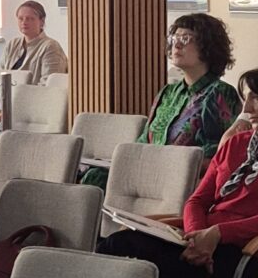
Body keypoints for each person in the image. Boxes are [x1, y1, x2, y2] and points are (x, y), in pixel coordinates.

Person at [99, 64, 258, 278]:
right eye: (246, 98)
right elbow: (197, 201)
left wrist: (218, 233)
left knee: (151, 277)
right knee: (115, 244)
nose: (246, 108)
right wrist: (198, 237)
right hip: (200, 239)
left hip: (242, 248)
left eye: (256, 98)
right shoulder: (236, 143)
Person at [87, 13, 241, 189]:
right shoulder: (168, 92)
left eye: (186, 39)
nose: (177, 44)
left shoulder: (219, 92)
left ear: (207, 46)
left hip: (179, 179)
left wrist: (166, 163)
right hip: (148, 170)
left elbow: (218, 154)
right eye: (174, 38)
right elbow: (144, 139)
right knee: (92, 175)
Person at [0, 0, 68, 84]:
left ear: (42, 21)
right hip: (8, 91)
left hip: (34, 92)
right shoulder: (12, 44)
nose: (24, 22)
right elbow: (0, 75)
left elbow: (49, 84)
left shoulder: (51, 47)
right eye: (21, 18)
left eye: (29, 19)